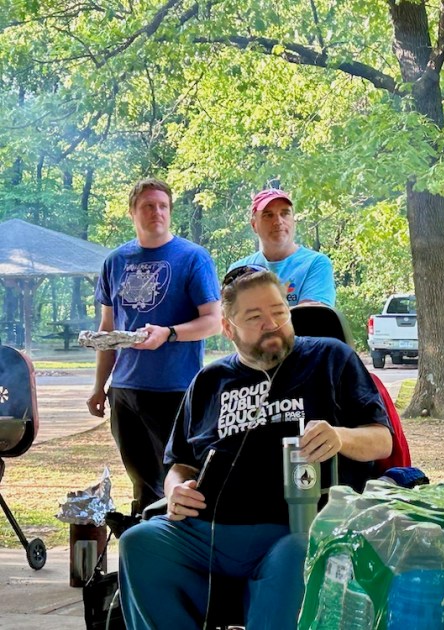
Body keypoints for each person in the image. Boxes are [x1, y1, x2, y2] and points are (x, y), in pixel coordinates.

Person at [118, 266, 393, 630]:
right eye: (255, 317)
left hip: (294, 528)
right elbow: (180, 463)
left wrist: (341, 437)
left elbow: (382, 440)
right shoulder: (209, 381)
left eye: (279, 312)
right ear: (228, 328)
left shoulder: (331, 358)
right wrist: (175, 490)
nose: (272, 324)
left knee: (300, 552)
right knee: (139, 542)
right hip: (208, 530)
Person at [87, 178, 221, 513]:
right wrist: (99, 387)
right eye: (148, 206)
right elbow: (108, 330)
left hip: (175, 389)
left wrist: (169, 333)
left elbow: (213, 321)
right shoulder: (116, 261)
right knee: (141, 481)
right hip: (125, 391)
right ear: (132, 212)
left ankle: (179, 536)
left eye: (163, 206)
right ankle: (143, 533)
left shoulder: (192, 258)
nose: (156, 212)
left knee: (179, 477)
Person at [229, 188, 336, 307]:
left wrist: (255, 313)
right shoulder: (239, 271)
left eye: (285, 213)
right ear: (254, 225)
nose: (278, 221)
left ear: (293, 220)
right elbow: (229, 316)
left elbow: (312, 316)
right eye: (268, 215)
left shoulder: (316, 263)